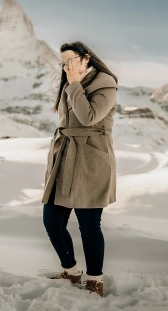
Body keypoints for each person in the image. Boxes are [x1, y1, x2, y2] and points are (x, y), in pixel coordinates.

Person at [42, 41, 119, 297]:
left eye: (71, 60)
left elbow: (88, 118)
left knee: (88, 225)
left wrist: (74, 82)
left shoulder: (105, 83)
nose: (67, 66)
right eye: (63, 62)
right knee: (51, 220)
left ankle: (95, 279)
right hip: (65, 158)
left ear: (86, 58)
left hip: (90, 161)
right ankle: (71, 271)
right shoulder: (69, 81)